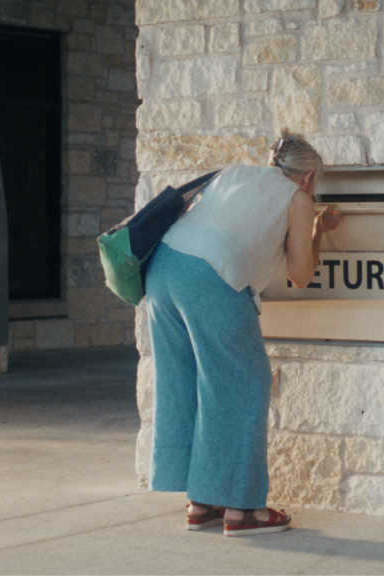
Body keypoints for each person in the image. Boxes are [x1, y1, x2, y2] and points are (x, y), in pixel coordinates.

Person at [144, 129, 341, 536]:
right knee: (244, 383)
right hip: (210, 278)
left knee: (187, 380)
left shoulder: (234, 172)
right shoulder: (299, 198)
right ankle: (243, 511)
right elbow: (300, 275)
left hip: (163, 271)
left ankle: (201, 503)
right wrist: (318, 229)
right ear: (306, 176)